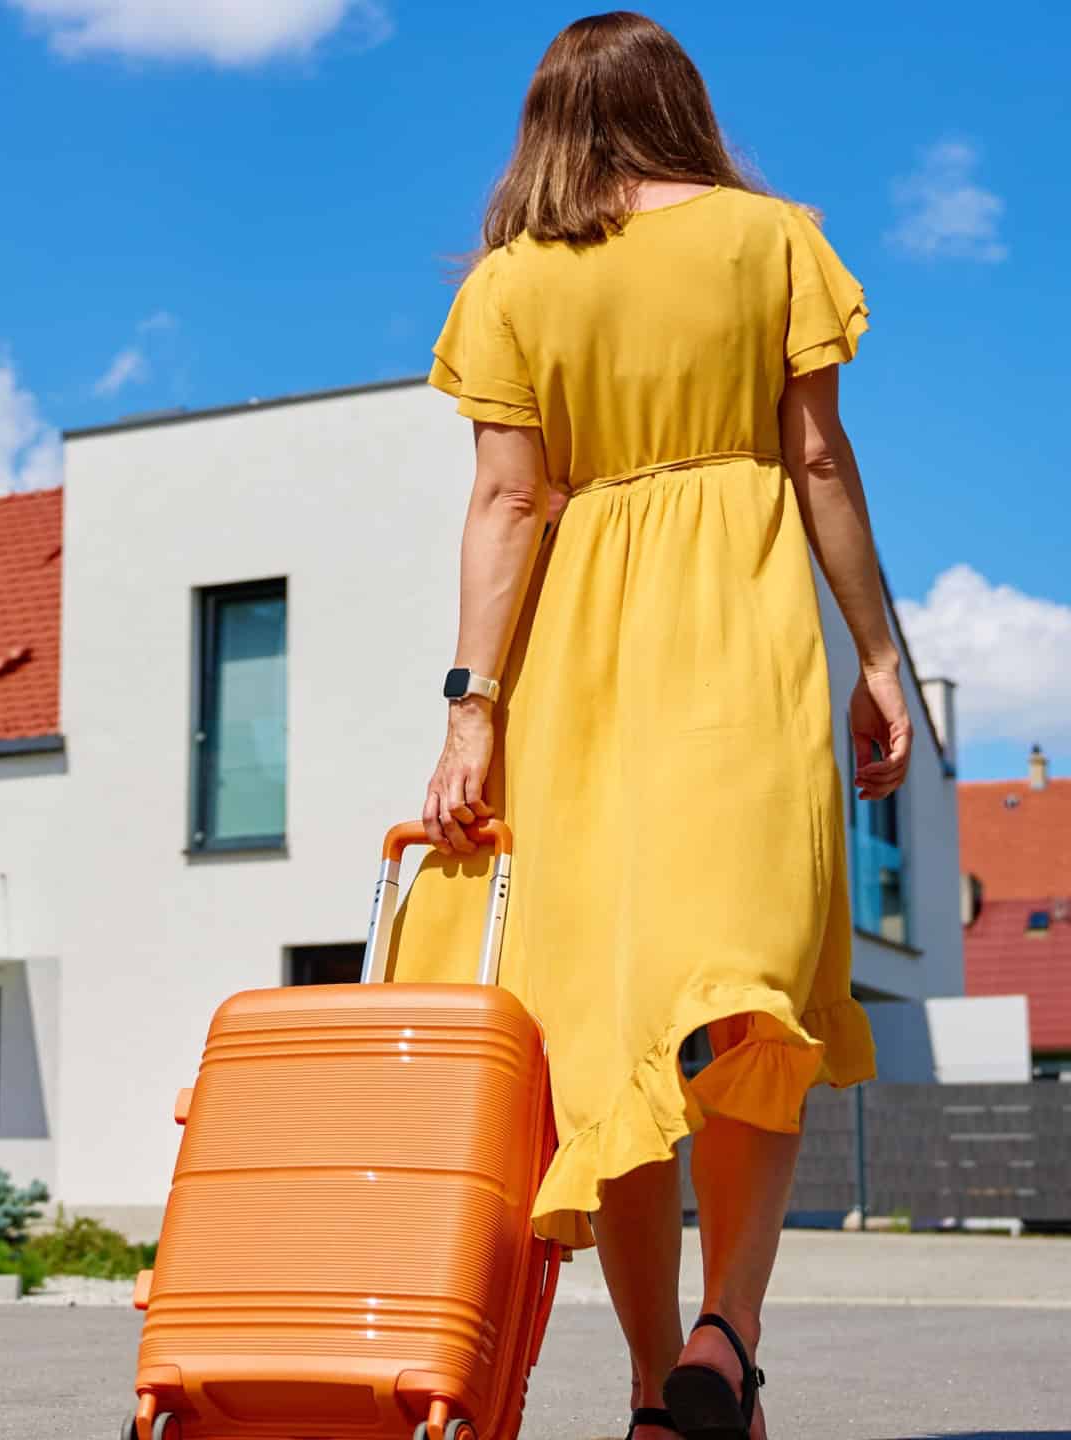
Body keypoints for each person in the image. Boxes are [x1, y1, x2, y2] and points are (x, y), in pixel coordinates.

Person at [389, 13, 910, 1440]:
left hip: (577, 671)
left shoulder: (511, 283)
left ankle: (646, 1391)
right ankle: (725, 1335)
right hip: (742, 645)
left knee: (610, 1026)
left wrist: (471, 716)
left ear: (547, 124)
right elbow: (818, 458)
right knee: (752, 991)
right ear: (683, 106)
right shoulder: (774, 240)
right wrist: (879, 657)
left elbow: (507, 504)